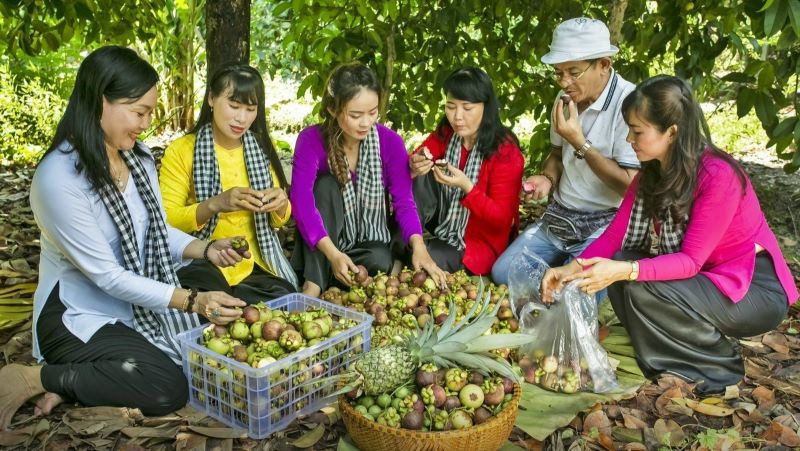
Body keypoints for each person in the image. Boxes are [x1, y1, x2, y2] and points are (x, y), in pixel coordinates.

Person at [0, 46, 248, 430]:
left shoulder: (138, 157)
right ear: (101, 100)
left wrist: (206, 248)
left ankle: (95, 374)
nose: (146, 123)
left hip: (133, 298)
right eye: (139, 112)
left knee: (208, 275)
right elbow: (107, 276)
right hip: (79, 313)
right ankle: (43, 377)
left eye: (149, 112)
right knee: (166, 387)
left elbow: (153, 228)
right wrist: (192, 301)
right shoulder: (59, 179)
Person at [540, 75, 798, 394]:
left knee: (637, 280)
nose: (630, 139)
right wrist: (571, 269)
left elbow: (689, 262)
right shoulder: (652, 175)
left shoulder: (718, 177)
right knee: (624, 266)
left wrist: (626, 271)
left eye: (637, 131)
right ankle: (664, 352)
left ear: (671, 132)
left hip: (752, 289)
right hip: (707, 280)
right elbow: (614, 240)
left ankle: (718, 369)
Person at [492, 17, 640, 291]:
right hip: (560, 217)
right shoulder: (564, 99)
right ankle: (562, 276)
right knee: (503, 273)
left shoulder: (630, 104)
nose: (564, 82)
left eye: (573, 72)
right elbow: (557, 156)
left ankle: (576, 280)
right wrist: (547, 178)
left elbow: (629, 185)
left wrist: (580, 143)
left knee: (574, 293)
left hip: (606, 222)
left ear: (604, 65)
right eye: (558, 72)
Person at [290, 62, 446, 297]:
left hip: (364, 241)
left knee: (379, 258)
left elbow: (404, 202)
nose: (366, 123)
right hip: (323, 243)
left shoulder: (390, 142)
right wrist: (333, 254)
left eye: (372, 113)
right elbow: (301, 204)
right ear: (333, 109)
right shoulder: (311, 139)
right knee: (325, 186)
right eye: (355, 115)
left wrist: (419, 246)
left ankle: (340, 273)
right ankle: (314, 282)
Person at [159, 63, 297, 303]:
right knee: (204, 301)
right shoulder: (182, 150)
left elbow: (279, 220)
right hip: (201, 259)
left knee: (283, 301)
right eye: (233, 106)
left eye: (250, 109)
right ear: (211, 99)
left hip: (253, 262)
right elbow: (166, 220)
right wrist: (215, 204)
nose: (241, 118)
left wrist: (280, 204)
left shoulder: (259, 148)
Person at [405, 67, 524, 274]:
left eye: (467, 108)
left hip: (476, 241)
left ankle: (406, 249)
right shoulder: (447, 133)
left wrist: (467, 187)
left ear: (486, 107)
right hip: (442, 221)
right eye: (451, 107)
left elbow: (502, 220)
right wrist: (414, 164)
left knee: (424, 257)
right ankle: (403, 242)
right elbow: (418, 157)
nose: (457, 117)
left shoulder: (505, 152)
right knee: (419, 175)